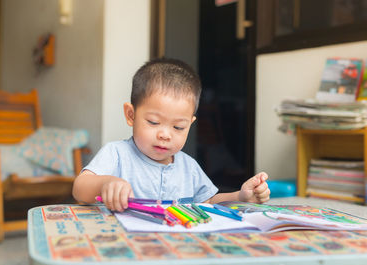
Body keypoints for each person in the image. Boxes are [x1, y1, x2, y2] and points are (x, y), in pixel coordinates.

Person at [73, 58, 270, 212]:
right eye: (153, 122)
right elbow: (79, 189)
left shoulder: (188, 167)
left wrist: (239, 197)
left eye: (178, 127)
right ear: (131, 115)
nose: (165, 135)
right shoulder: (116, 154)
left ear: (190, 124)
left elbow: (208, 201)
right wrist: (106, 183)